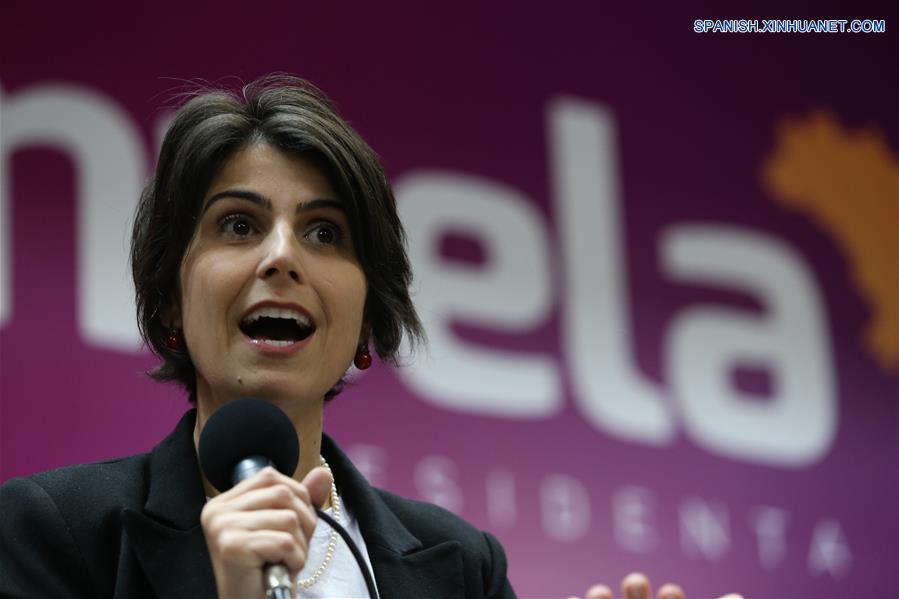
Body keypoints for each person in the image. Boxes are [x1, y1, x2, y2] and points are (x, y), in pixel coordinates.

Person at [0, 75, 738, 599]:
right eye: (238, 224)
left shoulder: (462, 568)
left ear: (364, 326)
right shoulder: (53, 530)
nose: (282, 255)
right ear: (169, 304)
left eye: (325, 232)